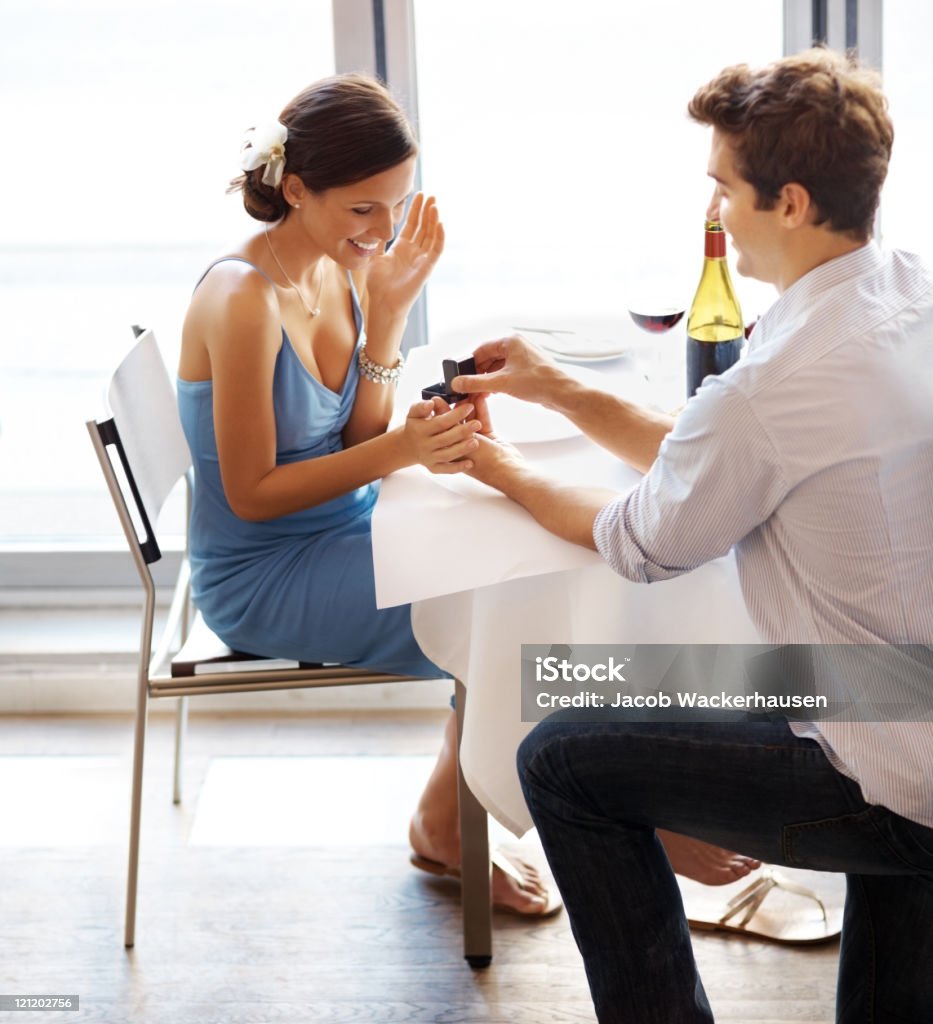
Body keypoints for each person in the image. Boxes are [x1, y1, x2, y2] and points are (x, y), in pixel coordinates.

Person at [177, 72, 757, 920]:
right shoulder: (241, 298)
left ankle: (462, 816)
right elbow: (255, 494)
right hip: (266, 575)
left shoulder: (337, 270)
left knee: (527, 548)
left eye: (395, 205)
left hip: (349, 527)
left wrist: (386, 318)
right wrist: (403, 447)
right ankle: (594, 813)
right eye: (362, 209)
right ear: (294, 189)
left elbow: (349, 438)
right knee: (512, 596)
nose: (381, 231)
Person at [450, 49, 933, 1021]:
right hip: (905, 687)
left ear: (789, 202)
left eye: (723, 187)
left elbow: (640, 541)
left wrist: (492, 465)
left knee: (559, 753)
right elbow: (715, 453)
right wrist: (557, 387)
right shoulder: (904, 292)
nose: (713, 210)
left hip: (884, 745)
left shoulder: (775, 383)